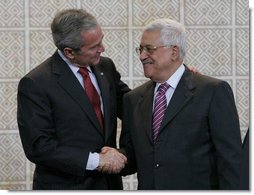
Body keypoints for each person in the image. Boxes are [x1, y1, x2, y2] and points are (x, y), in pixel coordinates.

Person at [103, 18, 243, 190]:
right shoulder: (133, 99)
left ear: (174, 52)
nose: (141, 56)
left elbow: (231, 160)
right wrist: (116, 156)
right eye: (140, 49)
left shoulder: (212, 91)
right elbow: (134, 156)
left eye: (149, 49)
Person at [17, 9, 130, 190]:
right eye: (95, 46)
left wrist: (178, 80)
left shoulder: (105, 67)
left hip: (109, 185)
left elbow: (131, 105)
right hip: (67, 186)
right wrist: (96, 160)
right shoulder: (36, 83)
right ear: (69, 52)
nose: (103, 48)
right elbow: (38, 147)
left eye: (101, 40)